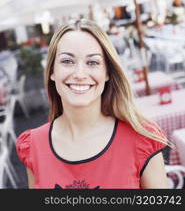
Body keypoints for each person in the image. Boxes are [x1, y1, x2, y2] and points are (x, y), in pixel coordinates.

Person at [16, 19, 171, 189]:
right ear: (52, 71)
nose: (79, 74)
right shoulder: (33, 146)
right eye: (67, 61)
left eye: (93, 62)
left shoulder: (141, 139)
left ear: (107, 73)